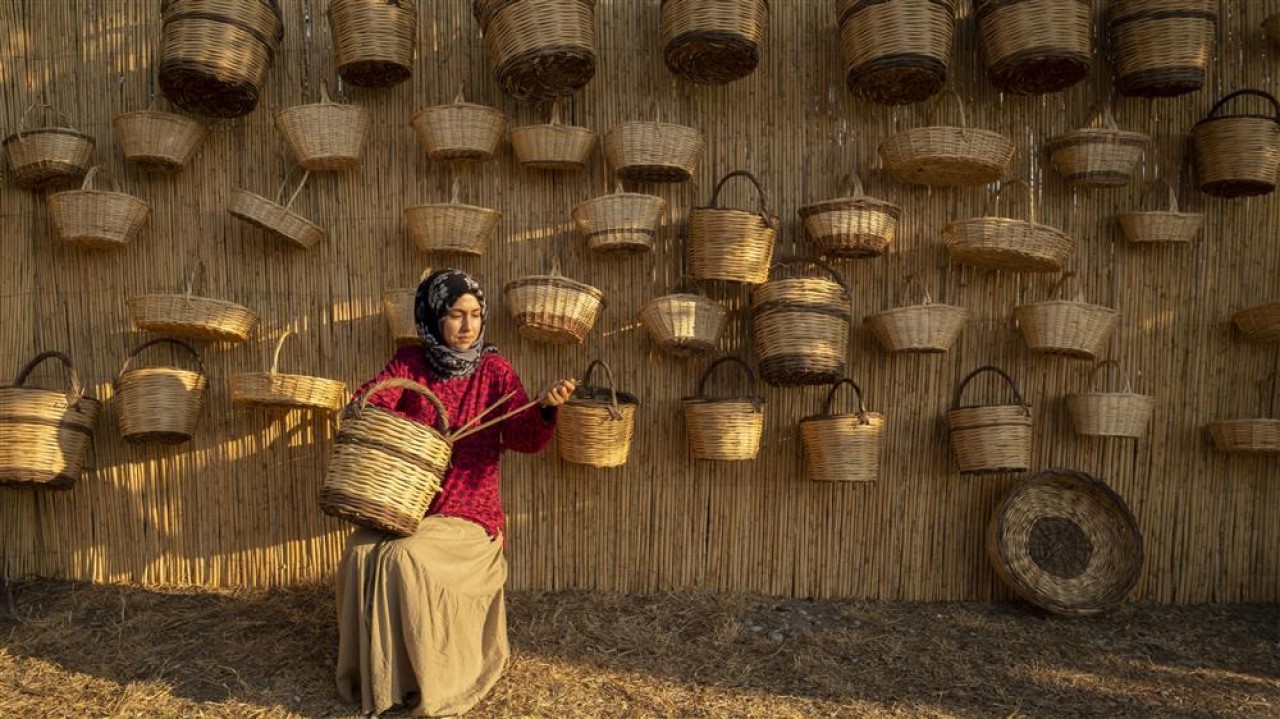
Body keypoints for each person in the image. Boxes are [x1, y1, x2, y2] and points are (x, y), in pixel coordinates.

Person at [334, 268, 576, 718]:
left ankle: (431, 679)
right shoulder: (409, 363)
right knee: (362, 552)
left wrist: (544, 408)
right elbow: (372, 401)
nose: (468, 326)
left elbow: (524, 437)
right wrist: (367, 408)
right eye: (454, 315)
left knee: (405, 558)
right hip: (405, 504)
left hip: (468, 511)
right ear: (431, 317)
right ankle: (375, 679)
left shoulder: (495, 371)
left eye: (475, 315)